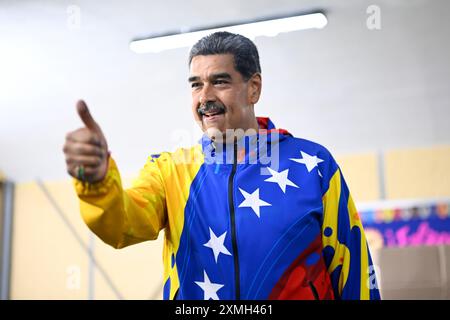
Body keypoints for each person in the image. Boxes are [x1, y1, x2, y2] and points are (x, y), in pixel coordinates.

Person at [63, 31, 380, 300]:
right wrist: (98, 182)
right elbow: (122, 225)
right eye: (195, 85)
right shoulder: (170, 170)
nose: (205, 97)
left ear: (253, 88)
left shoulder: (313, 165)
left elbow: (353, 270)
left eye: (220, 82)